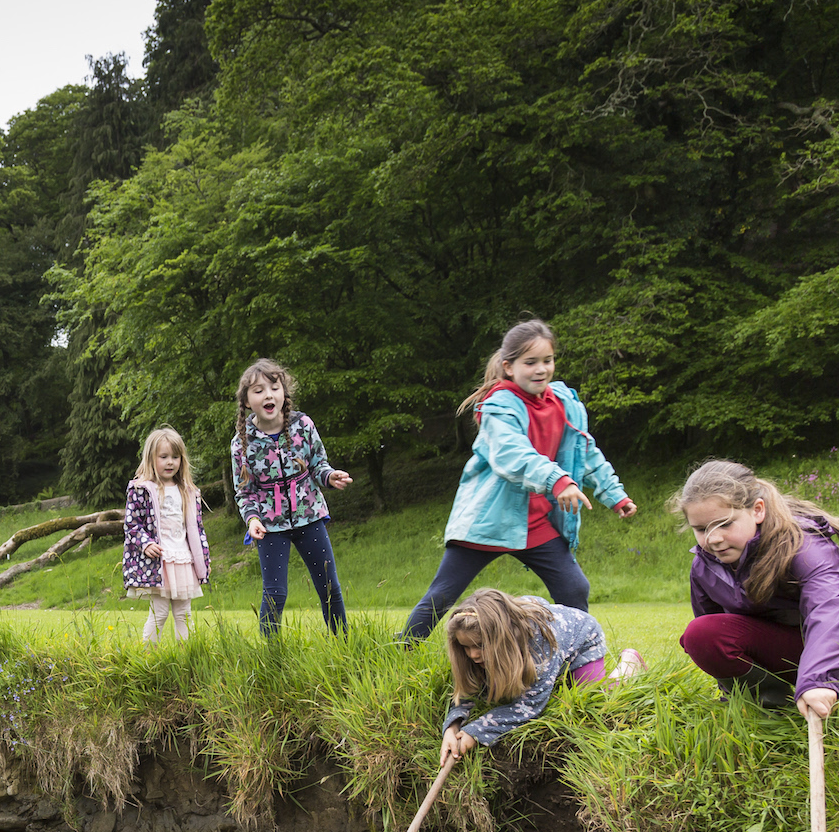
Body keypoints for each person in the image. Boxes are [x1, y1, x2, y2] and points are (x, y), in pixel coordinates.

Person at [403, 320, 637, 642]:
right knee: (442, 595)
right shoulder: (499, 406)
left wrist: (614, 494)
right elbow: (513, 455)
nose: (541, 369)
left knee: (574, 588)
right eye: (531, 362)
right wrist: (558, 481)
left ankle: (578, 658)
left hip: (536, 522)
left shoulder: (564, 402)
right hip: (489, 520)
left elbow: (586, 451)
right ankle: (400, 650)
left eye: (547, 360)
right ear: (508, 367)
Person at [672, 460, 839, 716]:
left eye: (725, 524)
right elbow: (715, 632)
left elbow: (828, 609)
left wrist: (818, 679)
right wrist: (732, 687)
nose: (714, 539)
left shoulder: (804, 544)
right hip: (792, 653)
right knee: (701, 633)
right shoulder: (703, 567)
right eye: (702, 529)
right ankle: (785, 707)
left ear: (757, 510)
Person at [439, 589, 646, 763]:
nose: (473, 654)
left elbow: (529, 706)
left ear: (501, 639)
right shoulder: (476, 654)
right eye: (466, 647)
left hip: (582, 643)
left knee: (597, 700)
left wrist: (475, 732)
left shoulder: (538, 646)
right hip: (534, 657)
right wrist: (452, 728)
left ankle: (629, 665)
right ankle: (553, 675)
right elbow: (467, 691)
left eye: (480, 646)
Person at [230, 358, 352, 635]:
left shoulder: (303, 425)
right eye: (258, 390)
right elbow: (245, 492)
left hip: (310, 517)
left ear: (284, 394)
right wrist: (252, 520)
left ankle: (345, 648)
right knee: (275, 593)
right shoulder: (241, 443)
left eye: (274, 387)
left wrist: (330, 476)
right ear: (247, 402)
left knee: (329, 588)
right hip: (270, 527)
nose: (268, 394)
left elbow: (319, 465)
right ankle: (271, 658)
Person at [124, 426, 211, 642]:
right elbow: (132, 524)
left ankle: (187, 657)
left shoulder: (188, 491)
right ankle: (148, 657)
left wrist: (203, 558)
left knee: (184, 613)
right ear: (151, 458)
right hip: (159, 562)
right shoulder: (141, 490)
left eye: (175, 457)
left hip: (182, 559)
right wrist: (145, 544)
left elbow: (196, 529)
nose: (170, 462)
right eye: (164, 457)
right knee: (160, 613)